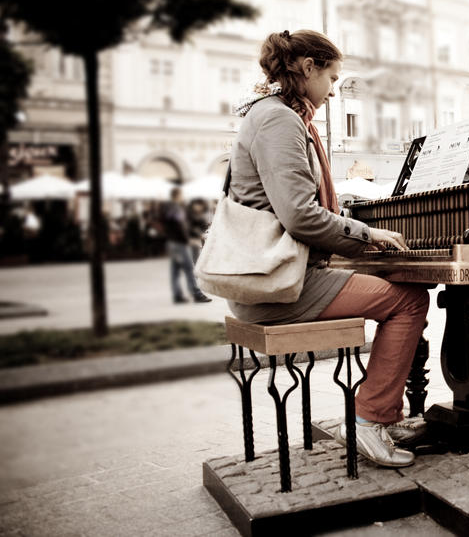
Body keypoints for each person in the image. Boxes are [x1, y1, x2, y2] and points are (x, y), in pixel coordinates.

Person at [227, 29, 429, 469]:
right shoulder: (280, 119)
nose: (334, 91)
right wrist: (367, 234)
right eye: (332, 78)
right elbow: (299, 216)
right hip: (274, 285)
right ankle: (369, 420)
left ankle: (382, 412)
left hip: (278, 274)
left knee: (395, 280)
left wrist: (362, 247)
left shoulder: (274, 114)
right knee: (410, 300)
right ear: (307, 68)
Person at [164, 187, 213, 304]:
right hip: (179, 243)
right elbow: (181, 226)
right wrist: (187, 239)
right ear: (177, 195)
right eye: (181, 195)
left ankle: (177, 295)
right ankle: (197, 294)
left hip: (171, 242)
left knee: (175, 270)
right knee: (189, 268)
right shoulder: (176, 209)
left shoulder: (169, 208)